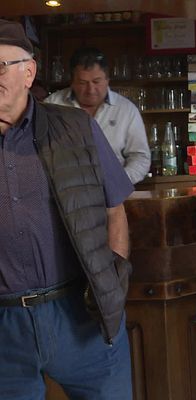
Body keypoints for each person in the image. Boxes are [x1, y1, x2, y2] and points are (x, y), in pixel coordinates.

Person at [0, 20, 134, 399]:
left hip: (80, 315)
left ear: (29, 72)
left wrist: (113, 282)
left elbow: (114, 210)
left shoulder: (76, 128)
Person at [45, 47, 150, 184]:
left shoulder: (126, 110)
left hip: (114, 194)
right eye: (83, 83)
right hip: (64, 193)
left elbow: (140, 157)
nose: (91, 90)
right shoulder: (51, 106)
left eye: (96, 81)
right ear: (72, 82)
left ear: (107, 79)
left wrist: (118, 182)